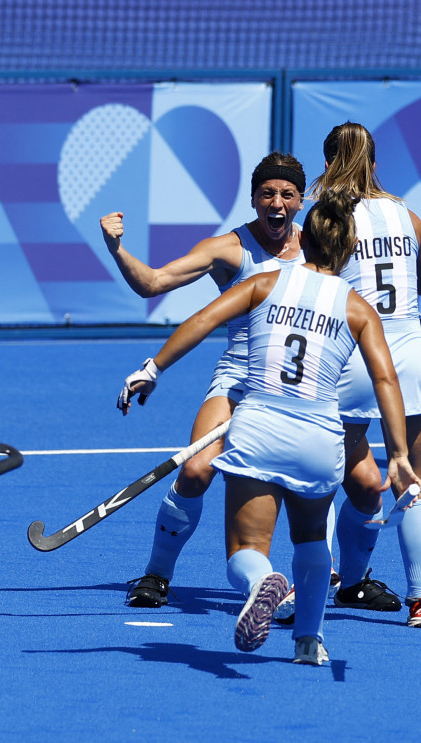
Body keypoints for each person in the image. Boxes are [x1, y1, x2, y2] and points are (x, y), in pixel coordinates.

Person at [117, 190, 420, 665]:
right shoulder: (358, 308)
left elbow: (202, 320)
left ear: (307, 241)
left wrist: (152, 368)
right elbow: (385, 377)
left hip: (259, 427)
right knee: (312, 542)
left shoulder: (265, 283)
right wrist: (399, 455)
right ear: (346, 250)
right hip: (321, 437)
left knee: (247, 548)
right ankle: (308, 641)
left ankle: (263, 585)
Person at [99, 152, 307, 609]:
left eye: (287, 194)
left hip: (300, 385)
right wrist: (116, 249)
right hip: (239, 379)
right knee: (195, 470)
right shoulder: (227, 249)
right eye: (267, 193)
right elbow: (153, 283)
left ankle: (335, 580)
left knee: (319, 482)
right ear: (254, 199)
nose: (276, 202)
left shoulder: (320, 247)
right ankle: (156, 573)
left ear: (301, 200)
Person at [309, 121, 421, 629]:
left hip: (351, 359)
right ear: (374, 164)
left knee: (323, 479)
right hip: (409, 358)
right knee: (412, 482)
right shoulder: (409, 217)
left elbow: (314, 286)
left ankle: (313, 585)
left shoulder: (325, 219)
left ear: (327, 165)